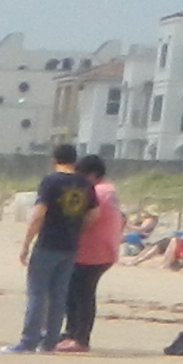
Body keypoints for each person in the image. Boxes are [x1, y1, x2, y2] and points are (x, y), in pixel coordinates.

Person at [13, 144, 93, 352]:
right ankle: (50, 342)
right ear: (75, 161)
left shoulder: (51, 181)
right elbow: (94, 214)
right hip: (70, 245)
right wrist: (76, 227)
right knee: (59, 295)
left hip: (48, 243)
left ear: (54, 160)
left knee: (37, 293)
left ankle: (28, 341)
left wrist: (25, 244)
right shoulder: (84, 183)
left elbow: (39, 214)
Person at [62, 149, 121, 351]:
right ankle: (72, 333)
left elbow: (86, 218)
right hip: (106, 250)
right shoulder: (110, 190)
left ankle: (80, 338)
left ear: (92, 175)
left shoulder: (96, 192)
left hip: (92, 252)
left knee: (82, 294)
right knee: (76, 291)